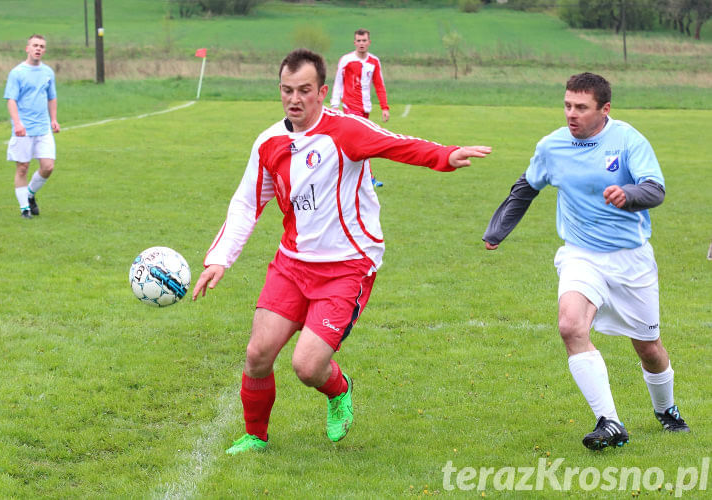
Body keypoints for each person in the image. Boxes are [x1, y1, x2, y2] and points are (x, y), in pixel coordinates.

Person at [193, 48, 491, 455]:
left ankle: (340, 390)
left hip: (347, 267)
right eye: (286, 90)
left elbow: (396, 145)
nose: (294, 99)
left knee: (307, 366)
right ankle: (255, 436)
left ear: (322, 91)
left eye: (303, 90)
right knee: (258, 353)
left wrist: (445, 155)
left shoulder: (345, 130)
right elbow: (247, 203)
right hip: (292, 264)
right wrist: (218, 259)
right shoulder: (269, 143)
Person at [482, 72, 690, 450]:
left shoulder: (628, 140)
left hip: (630, 260)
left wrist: (628, 193)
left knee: (649, 347)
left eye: (581, 107)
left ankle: (666, 410)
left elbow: (655, 189)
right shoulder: (552, 146)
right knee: (570, 327)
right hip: (580, 254)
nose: (571, 114)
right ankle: (610, 422)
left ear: (604, 109)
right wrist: (497, 231)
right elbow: (525, 187)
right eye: (567, 105)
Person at [4, 34, 60, 219]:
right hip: (24, 130)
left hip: (43, 128)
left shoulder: (48, 72)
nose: (38, 49)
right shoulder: (17, 73)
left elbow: (51, 97)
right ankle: (24, 209)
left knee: (48, 167)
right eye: (35, 45)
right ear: (27, 48)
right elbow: (11, 100)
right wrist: (17, 123)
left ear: (44, 50)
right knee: (22, 168)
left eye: (42, 46)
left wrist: (54, 119)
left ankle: (30, 194)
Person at [330, 29, 390, 187]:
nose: (362, 43)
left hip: (365, 108)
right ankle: (367, 179)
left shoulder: (374, 62)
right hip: (350, 107)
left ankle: (350, 176)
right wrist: (335, 105)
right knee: (361, 143)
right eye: (359, 40)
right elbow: (338, 82)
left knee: (357, 144)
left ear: (369, 42)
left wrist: (384, 107)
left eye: (364, 41)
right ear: (354, 42)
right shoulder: (346, 60)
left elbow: (379, 85)